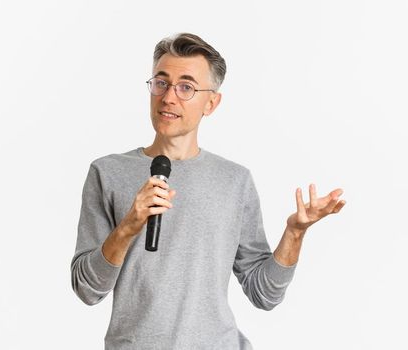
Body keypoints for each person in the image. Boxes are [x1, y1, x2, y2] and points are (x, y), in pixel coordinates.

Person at [70, 33, 346, 349]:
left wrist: (294, 233)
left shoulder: (234, 181)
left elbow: (264, 293)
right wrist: (127, 229)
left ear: (211, 103)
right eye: (161, 83)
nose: (169, 97)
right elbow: (87, 289)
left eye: (186, 87)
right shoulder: (107, 173)